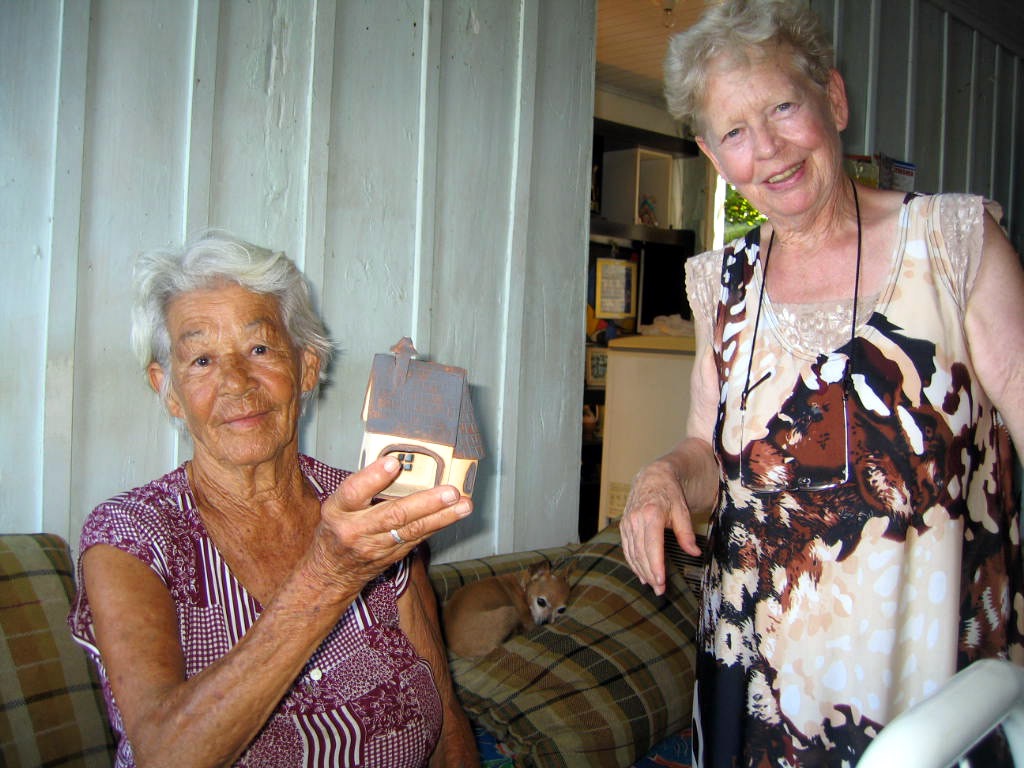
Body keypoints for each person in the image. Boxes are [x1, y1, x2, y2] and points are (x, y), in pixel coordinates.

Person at [618, 1, 1024, 765]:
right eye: (735, 132)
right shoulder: (721, 284)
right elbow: (709, 451)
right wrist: (663, 475)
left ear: (832, 100)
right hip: (757, 684)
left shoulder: (953, 245)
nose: (767, 149)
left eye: (782, 107)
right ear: (712, 155)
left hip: (925, 683)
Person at [68, 232, 480, 768]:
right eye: (201, 360)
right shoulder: (130, 537)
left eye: (260, 349)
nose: (237, 383)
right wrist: (329, 575)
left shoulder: (372, 507)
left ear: (307, 366)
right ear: (168, 390)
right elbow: (164, 754)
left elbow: (445, 716)